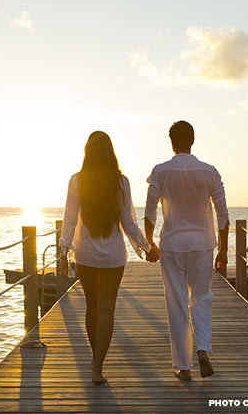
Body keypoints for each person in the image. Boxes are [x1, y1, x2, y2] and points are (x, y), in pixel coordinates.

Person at [60, 131, 151, 384]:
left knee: (92, 306)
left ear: (87, 152)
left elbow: (69, 218)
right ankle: (97, 365)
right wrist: (145, 246)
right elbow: (129, 222)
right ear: (111, 152)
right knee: (107, 308)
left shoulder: (77, 180)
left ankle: (95, 361)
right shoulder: (120, 182)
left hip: (85, 253)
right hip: (113, 255)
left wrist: (63, 249)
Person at [144, 121, 229, 381]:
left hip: (171, 244)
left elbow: (149, 212)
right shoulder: (210, 172)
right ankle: (202, 348)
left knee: (177, 302)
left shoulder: (161, 172)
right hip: (202, 244)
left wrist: (149, 243)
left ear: (171, 141)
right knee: (201, 298)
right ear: (193, 140)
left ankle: (184, 367)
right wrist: (224, 251)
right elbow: (223, 215)